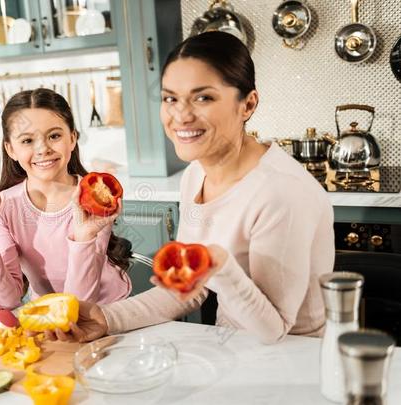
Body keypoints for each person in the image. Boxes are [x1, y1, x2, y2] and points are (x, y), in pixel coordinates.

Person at [47, 32, 335, 345]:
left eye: (203, 98)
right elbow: (187, 290)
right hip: (233, 348)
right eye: (170, 98)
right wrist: (108, 317)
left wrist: (218, 265)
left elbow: (273, 328)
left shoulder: (281, 192)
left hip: (295, 359)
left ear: (248, 104)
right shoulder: (195, 174)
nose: (181, 115)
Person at [0, 88, 131, 309]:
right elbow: (8, 300)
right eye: (27, 140)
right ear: (10, 149)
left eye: (54, 136)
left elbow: (80, 305)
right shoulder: (3, 206)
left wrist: (84, 236)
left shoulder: (94, 197)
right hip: (46, 315)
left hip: (107, 312)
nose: (43, 149)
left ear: (72, 139)